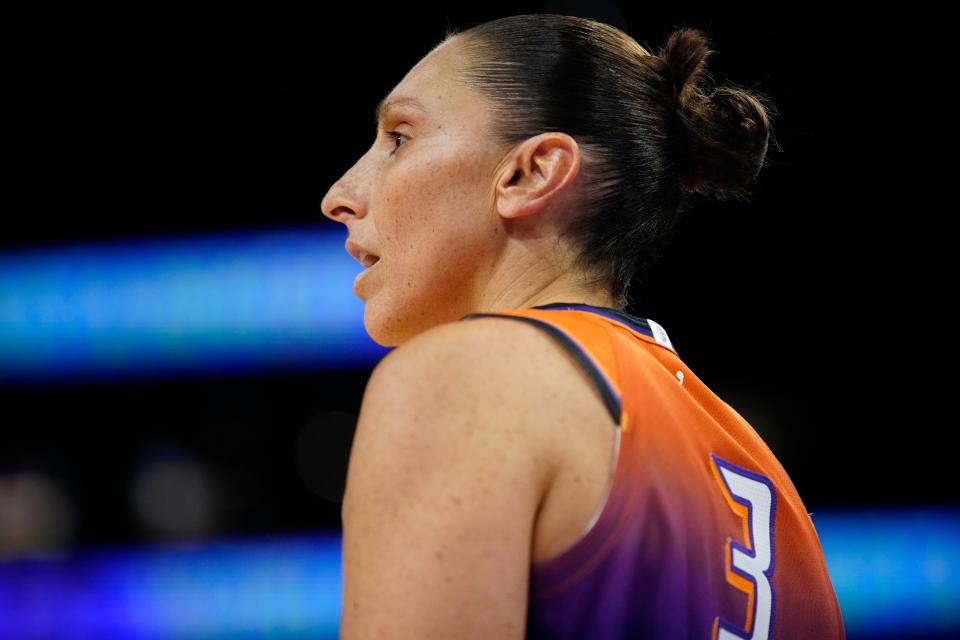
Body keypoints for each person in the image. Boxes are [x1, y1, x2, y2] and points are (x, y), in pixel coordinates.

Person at [321, 13, 844, 640]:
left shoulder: (470, 379)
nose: (339, 195)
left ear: (531, 173)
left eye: (399, 137)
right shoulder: (768, 483)